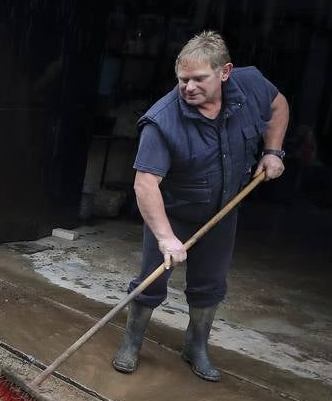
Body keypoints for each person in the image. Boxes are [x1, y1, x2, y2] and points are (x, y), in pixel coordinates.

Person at [112, 31, 289, 381]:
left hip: (224, 210)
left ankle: (196, 346)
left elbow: (278, 104)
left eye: (198, 79)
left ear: (225, 72)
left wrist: (273, 151)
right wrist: (165, 238)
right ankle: (132, 342)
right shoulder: (162, 121)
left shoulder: (250, 85)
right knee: (152, 281)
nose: (189, 87)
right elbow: (145, 185)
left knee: (210, 284)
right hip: (173, 213)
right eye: (182, 80)